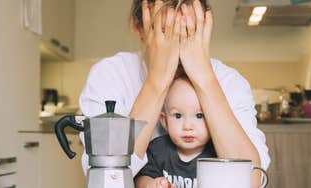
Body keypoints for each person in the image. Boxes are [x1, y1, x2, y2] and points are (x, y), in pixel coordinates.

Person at [79, 0, 270, 187]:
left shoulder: (228, 81)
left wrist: (203, 77)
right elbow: (106, 178)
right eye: (165, 31)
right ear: (139, 28)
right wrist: (157, 80)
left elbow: (251, 180)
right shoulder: (110, 75)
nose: (177, 44)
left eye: (189, 30)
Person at [135, 74, 216, 188]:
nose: (187, 126)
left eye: (199, 115)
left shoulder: (217, 154)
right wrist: (151, 184)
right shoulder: (157, 149)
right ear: (164, 121)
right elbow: (140, 179)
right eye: (178, 116)